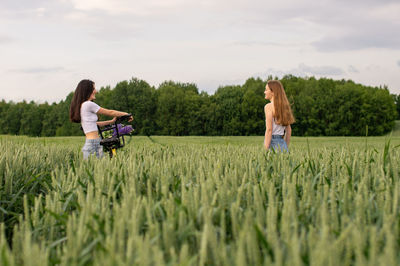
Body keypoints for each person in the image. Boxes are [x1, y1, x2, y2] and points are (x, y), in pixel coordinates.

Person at [69, 79, 133, 159]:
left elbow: (94, 124)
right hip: (93, 144)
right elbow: (110, 112)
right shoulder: (88, 104)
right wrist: (127, 114)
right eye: (93, 89)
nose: (96, 91)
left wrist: (111, 121)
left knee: (95, 169)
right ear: (87, 91)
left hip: (92, 143)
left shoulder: (83, 106)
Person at [264, 80, 295, 152]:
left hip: (272, 142)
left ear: (273, 92)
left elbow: (269, 130)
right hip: (282, 143)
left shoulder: (268, 107)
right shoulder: (284, 107)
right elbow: (289, 130)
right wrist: (285, 147)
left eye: (266, 90)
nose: (264, 92)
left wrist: (265, 150)